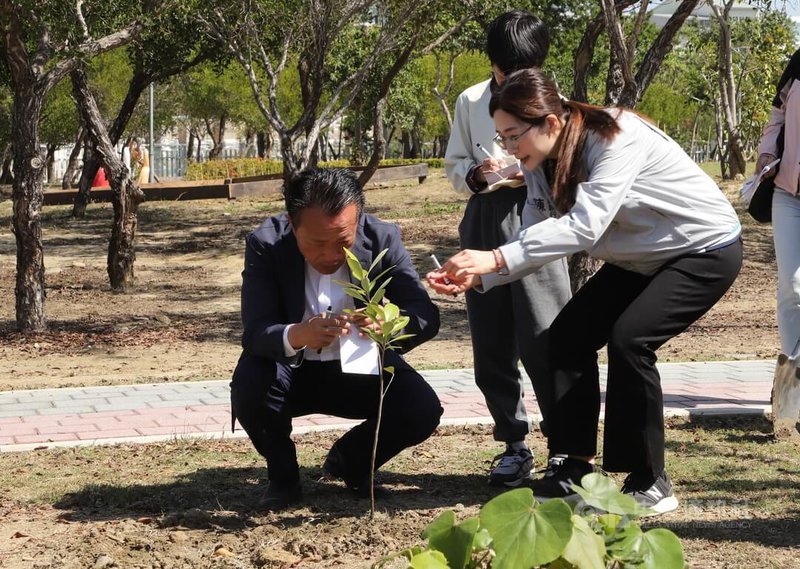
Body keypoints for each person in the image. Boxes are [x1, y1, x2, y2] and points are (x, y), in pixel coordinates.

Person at [428, 68, 742, 514]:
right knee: (567, 336)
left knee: (631, 340)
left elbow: (584, 225)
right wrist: (482, 275)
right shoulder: (540, 162)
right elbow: (537, 238)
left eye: (513, 135)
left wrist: (494, 259)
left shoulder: (615, 138)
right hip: (641, 257)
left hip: (702, 250)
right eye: (501, 138)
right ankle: (575, 469)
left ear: (550, 123)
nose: (508, 150)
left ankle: (651, 480)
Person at [231, 167, 443, 511]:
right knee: (250, 384)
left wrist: (390, 323)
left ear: (357, 220)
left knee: (421, 408)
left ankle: (352, 461)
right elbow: (256, 332)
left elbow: (425, 314)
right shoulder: (266, 243)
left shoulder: (382, 239)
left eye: (343, 242)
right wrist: (299, 333)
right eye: (316, 243)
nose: (331, 255)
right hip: (289, 373)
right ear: (292, 223)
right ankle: (282, 478)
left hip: (359, 369)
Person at [444, 9, 571, 487]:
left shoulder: (555, 101)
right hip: (485, 219)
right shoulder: (471, 100)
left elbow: (573, 164)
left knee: (546, 334)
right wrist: (477, 175)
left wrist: (532, 170)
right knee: (491, 340)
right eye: (503, 72)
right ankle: (514, 445)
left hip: (538, 217)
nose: (511, 80)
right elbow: (455, 163)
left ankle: (565, 447)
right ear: (492, 63)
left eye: (523, 72)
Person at [754, 48, 800, 433]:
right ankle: (796, 392)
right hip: (788, 192)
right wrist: (767, 151)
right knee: (792, 286)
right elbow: (778, 115)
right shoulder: (799, 61)